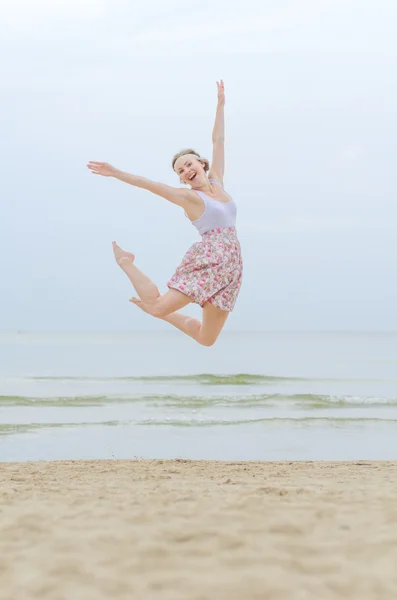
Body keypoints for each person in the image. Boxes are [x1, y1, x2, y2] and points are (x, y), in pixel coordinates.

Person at [87, 80, 242, 346]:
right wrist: (115, 172)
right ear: (182, 180)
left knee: (207, 338)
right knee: (158, 307)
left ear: (201, 164)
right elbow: (151, 185)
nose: (186, 171)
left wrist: (220, 104)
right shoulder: (189, 198)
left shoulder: (217, 181)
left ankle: (160, 312)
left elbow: (218, 141)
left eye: (189, 164)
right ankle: (126, 262)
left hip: (232, 267)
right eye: (180, 171)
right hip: (210, 260)